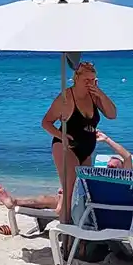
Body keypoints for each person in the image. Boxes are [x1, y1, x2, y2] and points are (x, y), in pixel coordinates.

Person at [40, 60, 117, 220]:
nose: (90, 83)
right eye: (86, 80)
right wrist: (61, 136)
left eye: (93, 80)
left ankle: (75, 228)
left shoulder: (94, 96)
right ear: (76, 78)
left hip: (86, 150)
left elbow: (112, 114)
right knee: (69, 192)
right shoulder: (66, 98)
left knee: (83, 193)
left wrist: (100, 92)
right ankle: (66, 230)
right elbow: (46, 122)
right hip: (66, 147)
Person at [0, 133, 133, 216]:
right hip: (89, 208)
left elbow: (127, 156)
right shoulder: (99, 181)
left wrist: (107, 139)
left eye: (114, 165)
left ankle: (61, 206)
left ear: (123, 169)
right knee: (47, 198)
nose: (109, 166)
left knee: (63, 198)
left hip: (100, 213)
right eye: (108, 165)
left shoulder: (127, 181)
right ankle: (14, 202)